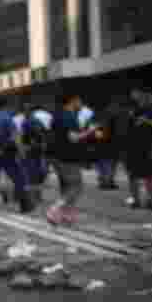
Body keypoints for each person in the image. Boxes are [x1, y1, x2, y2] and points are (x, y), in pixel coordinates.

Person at [47, 93, 98, 225]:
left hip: (56, 155)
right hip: (67, 156)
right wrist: (90, 131)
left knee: (66, 186)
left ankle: (67, 215)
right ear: (73, 100)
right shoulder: (69, 116)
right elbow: (73, 137)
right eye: (79, 100)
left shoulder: (57, 114)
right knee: (76, 186)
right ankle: (55, 209)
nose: (81, 103)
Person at [0, 97, 33, 218]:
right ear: (3, 107)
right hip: (8, 154)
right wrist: (21, 151)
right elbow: (15, 137)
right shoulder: (7, 118)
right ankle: (25, 204)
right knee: (18, 178)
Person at [125, 89, 152, 210]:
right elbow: (128, 129)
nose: (142, 99)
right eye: (140, 97)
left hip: (150, 147)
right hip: (134, 147)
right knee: (133, 176)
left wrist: (146, 121)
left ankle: (151, 201)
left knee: (150, 175)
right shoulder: (133, 111)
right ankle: (135, 200)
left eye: (145, 97)